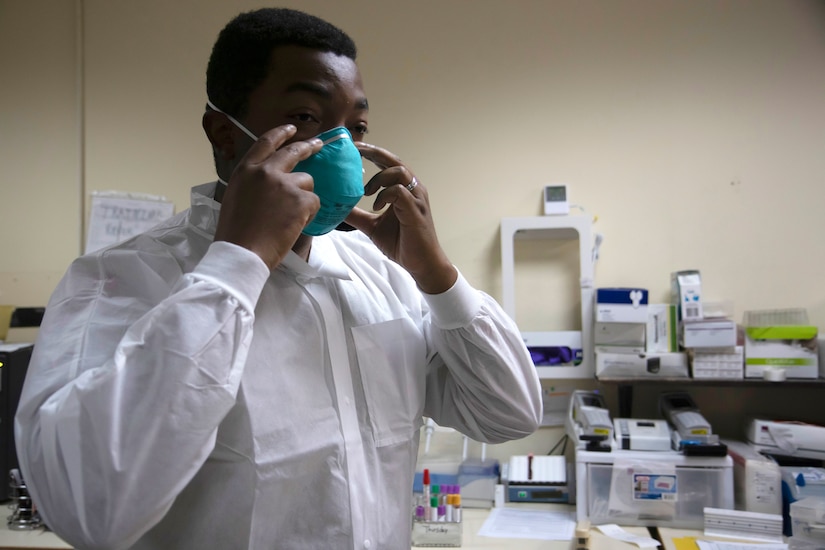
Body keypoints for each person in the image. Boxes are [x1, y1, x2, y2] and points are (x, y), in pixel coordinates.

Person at [15, 7, 542, 550]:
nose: (341, 148)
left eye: (356, 127)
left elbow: (509, 413)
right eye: (307, 117)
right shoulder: (120, 279)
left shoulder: (381, 274)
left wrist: (436, 277)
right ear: (224, 132)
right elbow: (87, 510)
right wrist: (239, 264)